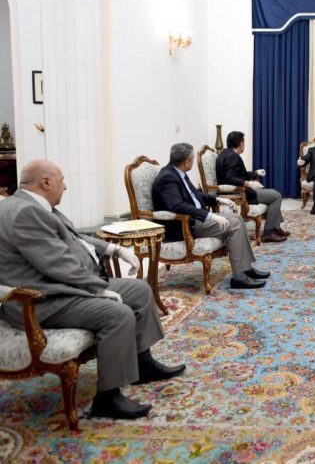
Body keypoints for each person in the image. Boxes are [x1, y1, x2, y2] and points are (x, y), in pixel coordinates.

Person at [0, 160, 185, 420]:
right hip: (41, 301)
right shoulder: (24, 212)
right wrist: (97, 289)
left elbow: (73, 238)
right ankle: (107, 398)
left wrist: (114, 249)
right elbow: (57, 264)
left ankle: (143, 365)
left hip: (64, 288)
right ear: (45, 182)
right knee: (118, 314)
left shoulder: (34, 205)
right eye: (62, 181)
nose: (65, 187)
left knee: (139, 291)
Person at [152, 143, 269, 289]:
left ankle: (246, 268)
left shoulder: (177, 172)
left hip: (195, 218)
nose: (192, 162)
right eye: (192, 159)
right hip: (185, 225)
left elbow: (194, 195)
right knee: (234, 224)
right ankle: (239, 277)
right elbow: (177, 206)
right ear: (186, 162)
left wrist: (217, 199)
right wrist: (209, 215)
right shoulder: (167, 178)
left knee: (237, 218)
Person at [215, 131, 289, 243]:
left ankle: (276, 227)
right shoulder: (233, 157)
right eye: (244, 142)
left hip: (234, 191)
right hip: (239, 194)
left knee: (272, 192)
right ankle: (269, 232)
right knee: (276, 196)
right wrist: (248, 184)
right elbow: (230, 178)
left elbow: (237, 175)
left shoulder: (225, 153)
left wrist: (255, 173)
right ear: (241, 143)